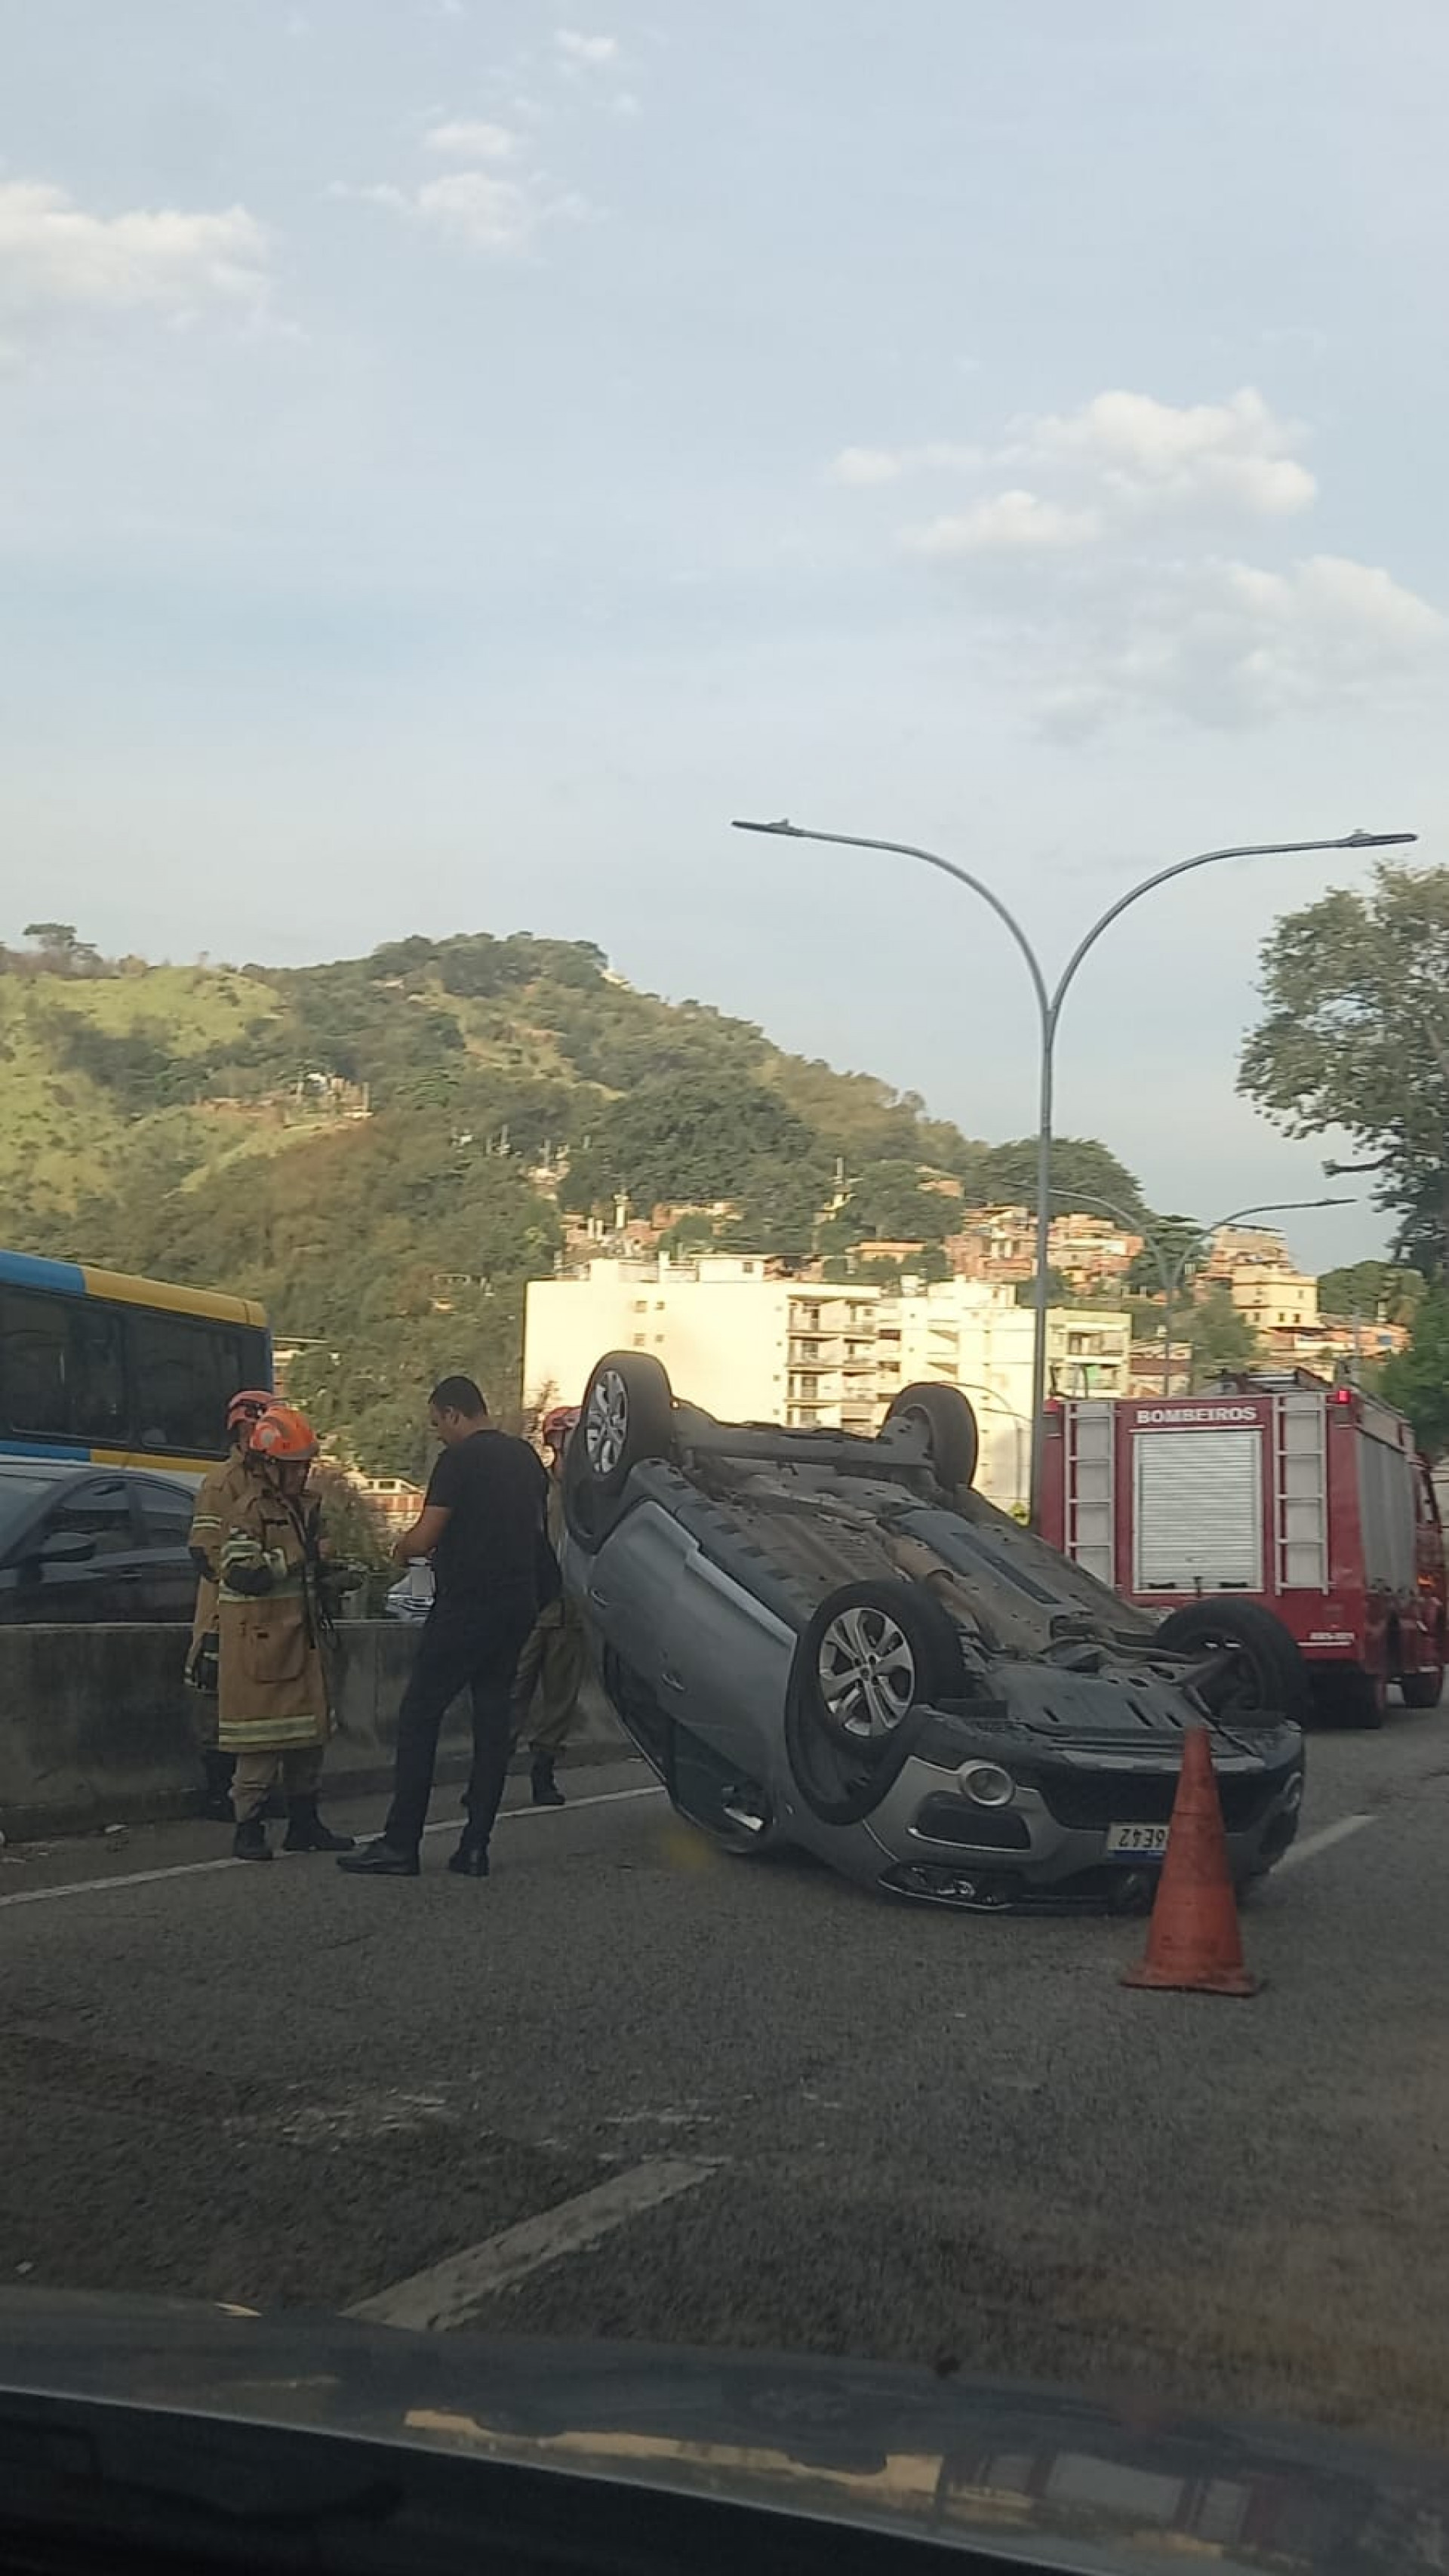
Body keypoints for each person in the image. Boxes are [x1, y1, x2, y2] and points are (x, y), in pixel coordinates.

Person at [340, 1375, 556, 1882]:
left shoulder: (459, 1461)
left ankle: (401, 1843)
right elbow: (536, 1531)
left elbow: (426, 1534)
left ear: (454, 1413)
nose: (438, 1433)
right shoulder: (525, 1459)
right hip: (517, 1604)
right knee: (491, 1722)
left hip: (468, 1605)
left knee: (420, 1716)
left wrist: (399, 1549)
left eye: (438, 1422)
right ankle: (475, 1846)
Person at [217, 1402, 356, 1864]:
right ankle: (249, 1828)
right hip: (262, 1648)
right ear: (269, 1464)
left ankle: (305, 1823)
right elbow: (240, 1572)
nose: (302, 1477)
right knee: (259, 1749)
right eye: (293, 1468)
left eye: (306, 1467)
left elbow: (310, 1568)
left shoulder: (309, 1508)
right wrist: (298, 1557)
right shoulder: (248, 1511)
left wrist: (334, 1574)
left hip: (303, 1642)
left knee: (308, 1740)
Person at [186, 1388, 273, 1820]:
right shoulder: (222, 1483)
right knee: (216, 1701)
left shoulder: (271, 1480)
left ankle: (253, 1792)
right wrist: (242, 1581)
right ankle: (219, 1791)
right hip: (224, 1614)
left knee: (256, 1703)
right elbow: (204, 1551)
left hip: (264, 1618)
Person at [509, 1405, 586, 1808]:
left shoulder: (587, 1496)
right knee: (511, 1690)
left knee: (560, 1699)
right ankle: (488, 1772)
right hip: (532, 1605)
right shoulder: (535, 1488)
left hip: (570, 1609)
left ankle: (543, 1771)